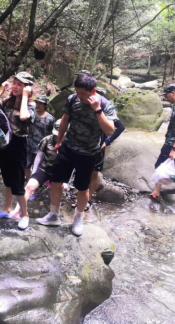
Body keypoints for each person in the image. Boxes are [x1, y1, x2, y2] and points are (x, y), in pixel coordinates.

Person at [37, 73, 117, 236]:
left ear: (93, 90)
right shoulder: (73, 99)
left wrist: (97, 110)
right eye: (78, 92)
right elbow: (65, 119)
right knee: (56, 181)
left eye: (83, 93)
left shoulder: (105, 105)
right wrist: (59, 140)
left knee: (82, 188)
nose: (79, 96)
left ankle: (78, 219)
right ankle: (53, 215)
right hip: (68, 147)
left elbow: (110, 131)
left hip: (88, 153)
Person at [0, 72, 36, 223]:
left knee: (18, 182)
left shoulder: (30, 105)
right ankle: (7, 209)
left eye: (19, 85)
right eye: (14, 83)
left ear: (27, 87)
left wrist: (25, 96)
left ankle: (25, 215)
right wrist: (1, 91)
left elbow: (23, 117)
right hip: (4, 143)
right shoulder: (7, 102)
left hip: (18, 145)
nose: (15, 87)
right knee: (7, 179)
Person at [18, 119, 65, 230]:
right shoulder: (47, 140)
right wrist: (34, 172)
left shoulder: (70, 143)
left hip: (60, 171)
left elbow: (72, 164)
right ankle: (23, 214)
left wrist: (66, 181)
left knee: (57, 191)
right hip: (44, 169)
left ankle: (54, 214)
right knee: (29, 186)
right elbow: (39, 156)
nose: (57, 136)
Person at [85, 87, 125, 208]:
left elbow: (121, 127)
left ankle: (87, 199)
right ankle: (83, 196)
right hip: (84, 144)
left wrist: (107, 141)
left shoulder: (106, 110)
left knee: (93, 174)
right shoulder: (84, 107)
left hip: (99, 146)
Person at [26, 95, 55, 180]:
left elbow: (52, 135)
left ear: (46, 105)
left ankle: (36, 182)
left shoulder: (50, 119)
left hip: (41, 148)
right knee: (26, 165)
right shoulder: (31, 114)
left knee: (38, 167)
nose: (38, 105)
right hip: (28, 145)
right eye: (37, 103)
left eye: (41, 103)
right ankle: (29, 181)